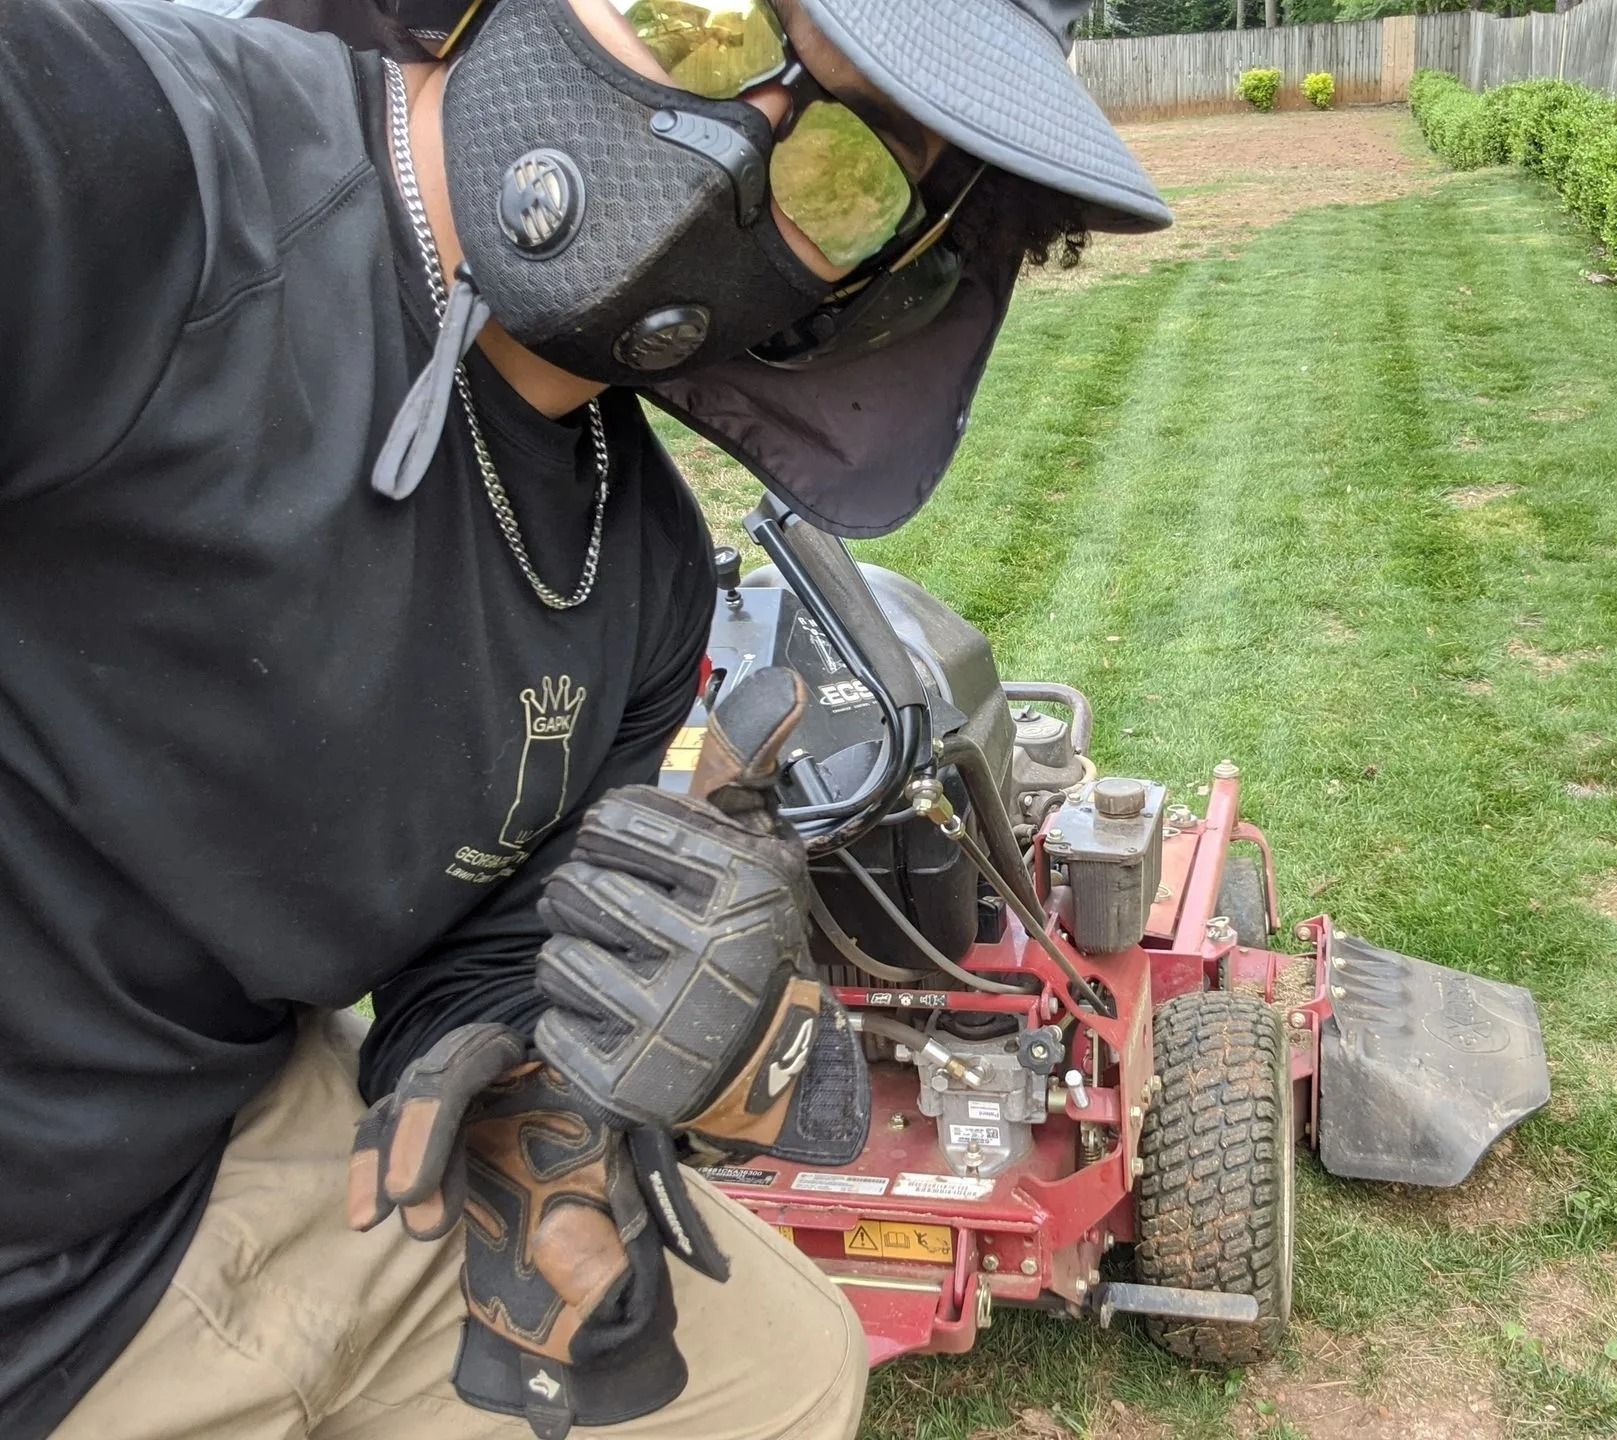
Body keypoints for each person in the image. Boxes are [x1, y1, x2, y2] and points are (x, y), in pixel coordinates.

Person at [0, 0, 1169, 1436]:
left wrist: (593, 1041)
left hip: (219, 1149)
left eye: (849, 166)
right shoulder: (143, 161)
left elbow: (481, 958)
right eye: (710, 23)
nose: (748, 134)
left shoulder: (644, 575)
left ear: (868, 289)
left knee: (781, 1366)